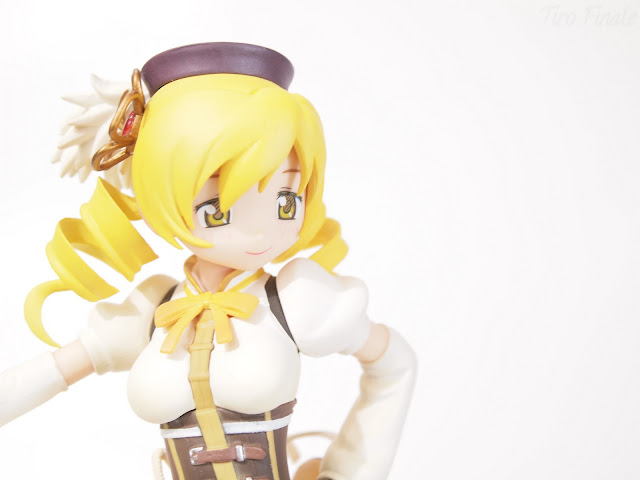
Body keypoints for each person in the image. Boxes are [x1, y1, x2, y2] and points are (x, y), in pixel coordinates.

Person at [0, 42, 416, 480]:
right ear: (157, 199)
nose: (260, 232)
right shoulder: (153, 308)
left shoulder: (297, 298)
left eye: (286, 201)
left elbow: (395, 366)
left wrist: (351, 471)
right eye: (217, 209)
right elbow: (50, 373)